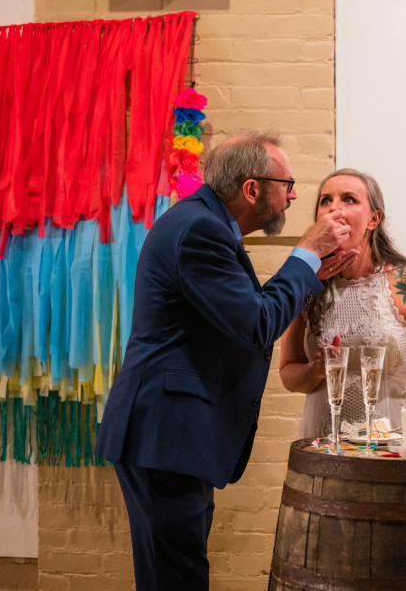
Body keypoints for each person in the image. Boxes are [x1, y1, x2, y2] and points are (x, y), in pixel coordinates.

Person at [94, 131, 351, 591]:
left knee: (174, 575)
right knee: (177, 580)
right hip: (166, 436)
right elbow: (256, 324)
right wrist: (307, 252)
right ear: (252, 189)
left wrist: (310, 271)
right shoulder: (200, 231)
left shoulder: (204, 224)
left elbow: (245, 315)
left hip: (172, 438)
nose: (293, 195)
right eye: (286, 183)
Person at [279, 168, 406, 439]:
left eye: (348, 199)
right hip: (327, 437)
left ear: (373, 219)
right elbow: (288, 374)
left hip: (395, 436)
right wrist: (314, 371)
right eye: (325, 200)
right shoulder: (307, 282)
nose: (333, 208)